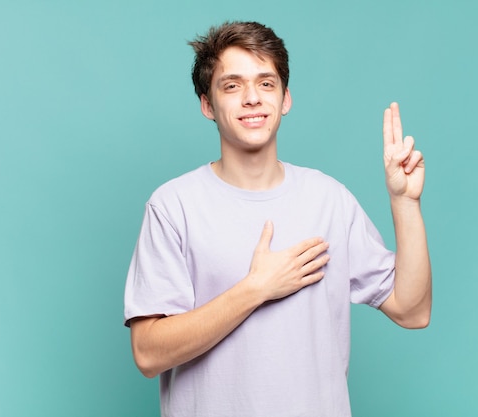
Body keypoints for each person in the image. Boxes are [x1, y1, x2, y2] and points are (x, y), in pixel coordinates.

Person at [124, 21, 431, 417]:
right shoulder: (173, 206)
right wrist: (256, 289)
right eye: (232, 85)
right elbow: (148, 353)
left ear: (285, 98)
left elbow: (413, 310)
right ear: (206, 104)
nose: (252, 98)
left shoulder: (329, 199)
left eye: (266, 83)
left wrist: (404, 203)